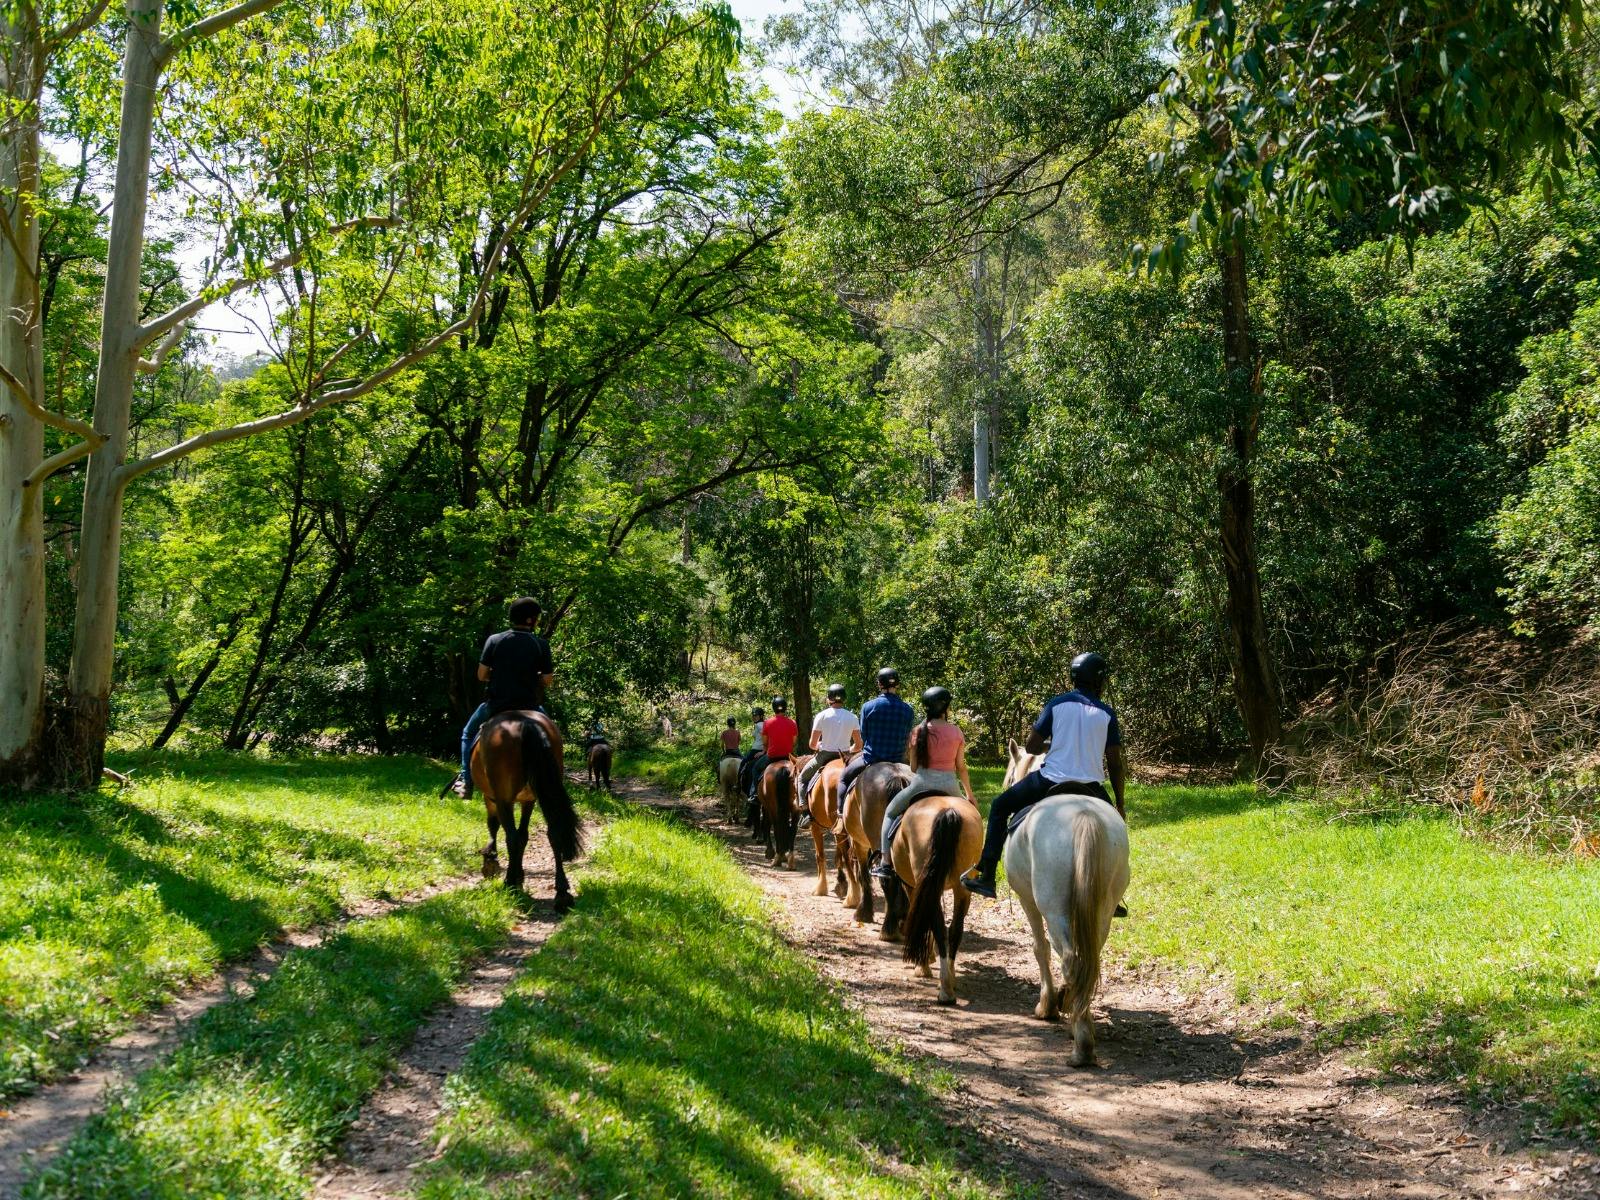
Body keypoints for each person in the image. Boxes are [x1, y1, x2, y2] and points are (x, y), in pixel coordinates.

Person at [962, 652, 1126, 908]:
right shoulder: (1107, 714)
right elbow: (1115, 763)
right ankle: (1113, 894)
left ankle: (987, 875)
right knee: (1116, 829)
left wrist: (1054, 743)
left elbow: (1031, 746)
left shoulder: (1057, 704)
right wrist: (1120, 803)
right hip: (1092, 788)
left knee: (999, 807)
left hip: (1050, 780)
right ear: (1099, 680)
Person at [453, 597, 555, 798]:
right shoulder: (540, 644)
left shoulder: (495, 640)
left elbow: (482, 675)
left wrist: (501, 673)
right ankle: (553, 779)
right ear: (530, 620)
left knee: (467, 733)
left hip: (496, 705)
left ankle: (466, 781)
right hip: (530, 707)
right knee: (552, 735)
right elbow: (547, 680)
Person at [872, 687, 974, 878]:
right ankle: (976, 866)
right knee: (973, 817)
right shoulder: (956, 732)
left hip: (920, 784)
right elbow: (961, 767)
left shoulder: (917, 731)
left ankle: (885, 862)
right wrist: (969, 795)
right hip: (950, 786)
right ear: (946, 708)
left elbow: (912, 767)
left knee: (891, 812)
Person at [837, 666, 916, 802]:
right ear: (897, 684)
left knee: (844, 778)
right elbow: (907, 736)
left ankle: (839, 814)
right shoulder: (908, 709)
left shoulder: (868, 706)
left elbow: (864, 735)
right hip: (899, 759)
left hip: (871, 758)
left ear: (879, 684)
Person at [797, 683, 862, 816]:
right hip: (845, 757)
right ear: (844, 698)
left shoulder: (822, 715)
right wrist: (848, 749)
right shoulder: (852, 717)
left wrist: (819, 746)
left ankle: (804, 810)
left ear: (829, 698)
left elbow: (812, 744)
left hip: (824, 756)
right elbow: (858, 745)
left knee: (802, 778)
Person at [745, 695, 799, 809]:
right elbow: (794, 742)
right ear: (785, 708)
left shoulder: (768, 722)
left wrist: (763, 751)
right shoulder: (792, 722)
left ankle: (754, 795)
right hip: (788, 756)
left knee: (755, 769)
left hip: (772, 756)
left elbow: (765, 742)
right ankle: (801, 797)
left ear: (774, 708)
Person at [737, 705, 766, 803]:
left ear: (761, 716)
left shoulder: (759, 725)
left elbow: (764, 736)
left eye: (756, 715)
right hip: (761, 749)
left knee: (743, 762)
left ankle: (737, 785)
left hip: (756, 749)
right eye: (753, 715)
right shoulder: (764, 724)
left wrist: (763, 750)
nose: (754, 717)